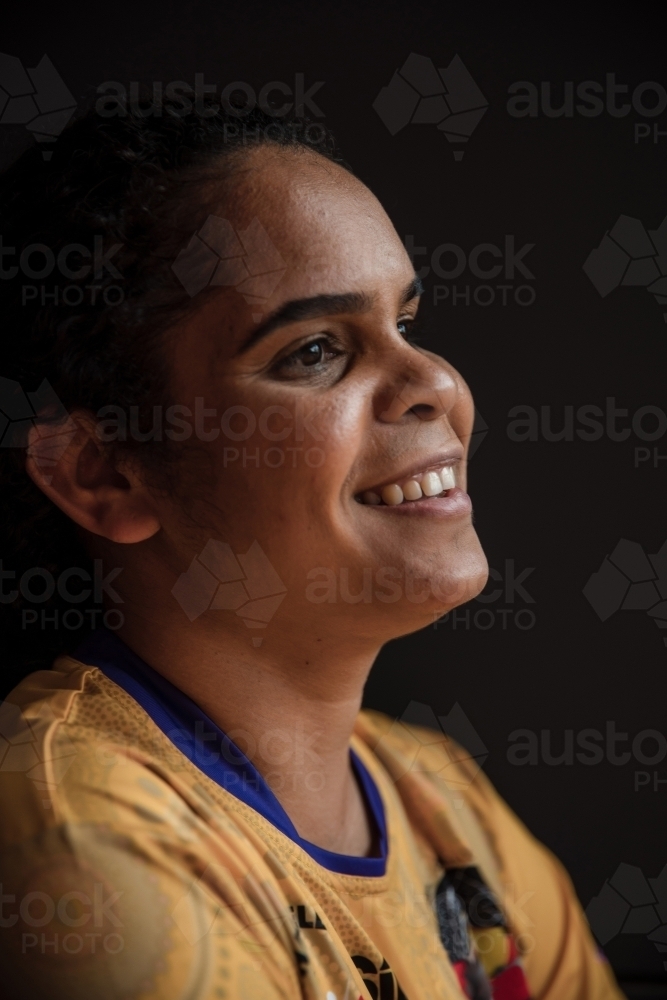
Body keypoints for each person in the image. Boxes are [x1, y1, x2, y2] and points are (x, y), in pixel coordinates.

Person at [0, 98, 622, 1000]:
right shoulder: (74, 836)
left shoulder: (445, 803)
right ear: (104, 474)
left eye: (407, 323)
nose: (435, 381)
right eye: (317, 351)